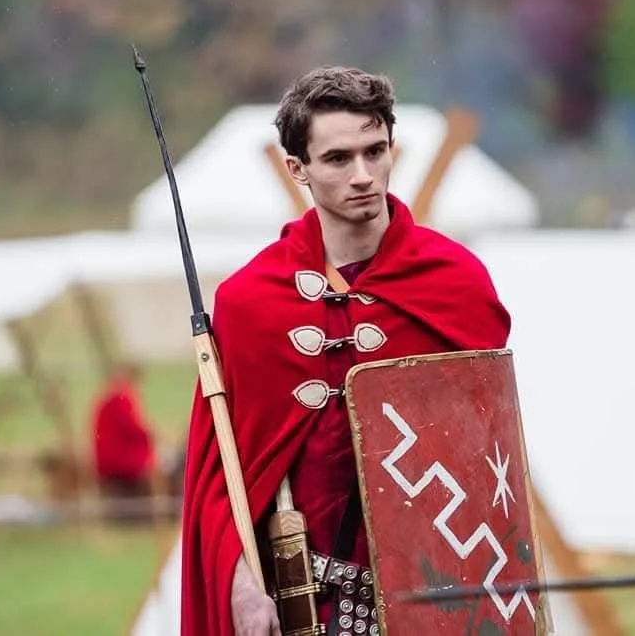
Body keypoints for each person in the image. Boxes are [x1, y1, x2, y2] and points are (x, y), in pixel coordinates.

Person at [181, 66, 511, 636]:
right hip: (305, 609)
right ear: (297, 169)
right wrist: (240, 587)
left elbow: (489, 465)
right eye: (338, 159)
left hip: (437, 602)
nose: (363, 175)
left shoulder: (456, 285)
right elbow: (219, 477)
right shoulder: (250, 304)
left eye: (374, 151)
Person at [91, 362, 156, 520]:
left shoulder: (109, 396)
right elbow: (133, 427)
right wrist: (152, 435)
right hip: (119, 459)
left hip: (107, 456)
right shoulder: (122, 396)